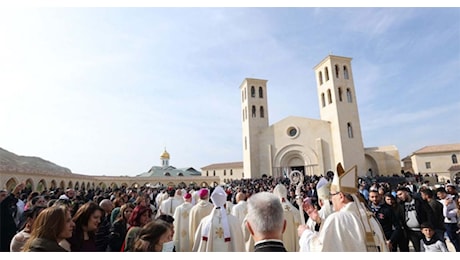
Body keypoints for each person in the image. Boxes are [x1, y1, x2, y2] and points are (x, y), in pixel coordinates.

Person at [298, 163, 386, 252]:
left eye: (332, 195)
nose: (331, 199)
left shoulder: (337, 219)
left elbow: (320, 250)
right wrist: (320, 222)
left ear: (341, 196)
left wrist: (305, 234)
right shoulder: (369, 218)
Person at [192, 186, 245, 252]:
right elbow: (240, 243)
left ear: (213, 204)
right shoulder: (234, 221)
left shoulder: (205, 222)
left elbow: (198, 244)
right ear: (225, 204)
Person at [396, 186, 433, 252]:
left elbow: (429, 212)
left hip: (423, 229)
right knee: (417, 249)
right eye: (398, 195)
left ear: (406, 192)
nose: (399, 196)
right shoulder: (400, 205)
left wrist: (429, 225)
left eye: (400, 194)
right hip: (411, 231)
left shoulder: (419, 201)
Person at [0, 183, 25, 252]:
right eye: (2, 195)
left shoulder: (10, 208)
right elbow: (4, 203)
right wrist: (14, 192)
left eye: (6, 195)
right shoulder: (2, 207)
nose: (5, 197)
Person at [436, 186, 460, 251]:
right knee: (452, 239)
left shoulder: (449, 199)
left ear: (443, 193)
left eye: (439, 194)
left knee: (454, 240)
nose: (438, 196)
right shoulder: (443, 200)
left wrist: (446, 206)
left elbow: (446, 214)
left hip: (451, 222)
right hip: (446, 222)